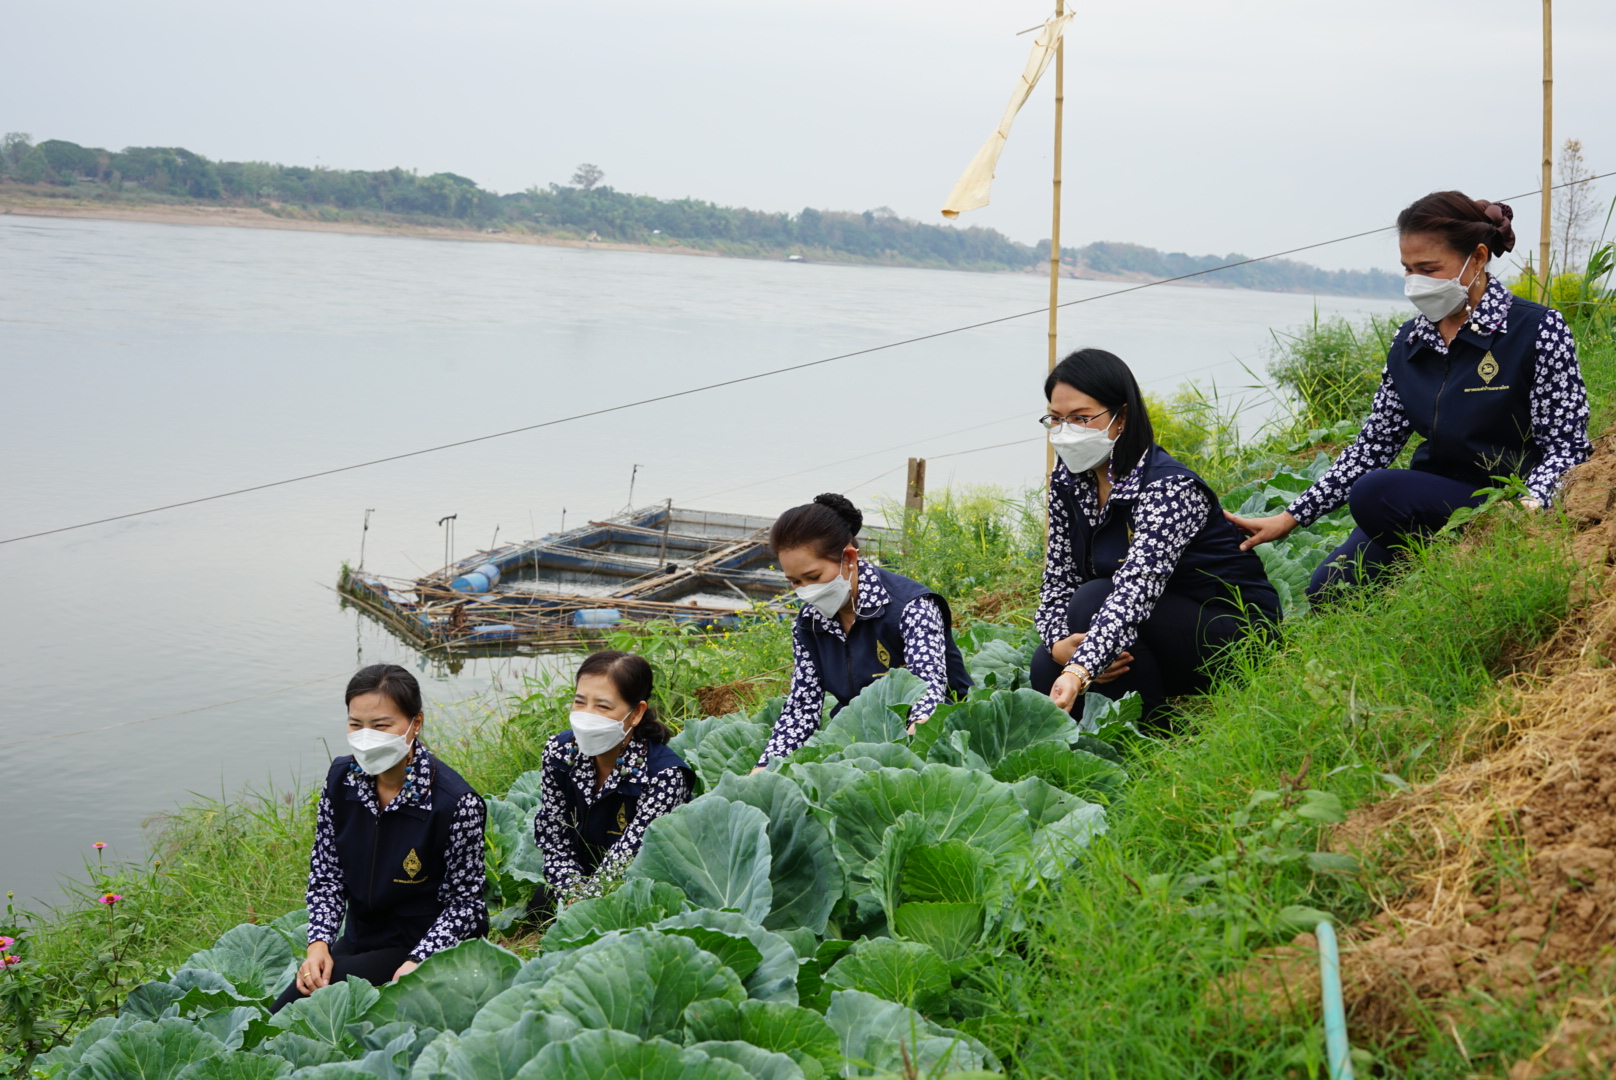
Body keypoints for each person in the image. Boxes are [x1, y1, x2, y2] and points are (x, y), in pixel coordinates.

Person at [1227, 192, 1592, 600]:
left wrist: (1528, 506)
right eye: (1407, 269)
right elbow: (1374, 446)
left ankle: (1479, 553)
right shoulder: (1411, 342)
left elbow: (1566, 446)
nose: (1415, 282)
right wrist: (1290, 517)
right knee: (1329, 591)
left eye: (1429, 269)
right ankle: (1445, 560)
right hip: (1429, 498)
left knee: (1374, 493)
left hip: (1506, 497)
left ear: (1478, 258)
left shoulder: (1535, 330)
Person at [1033, 348, 1281, 727]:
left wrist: (1081, 668)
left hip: (1234, 632)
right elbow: (1057, 580)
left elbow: (1136, 591)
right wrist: (1059, 647)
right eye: (1056, 419)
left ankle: (1151, 731)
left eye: (1082, 419)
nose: (1067, 433)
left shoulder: (1169, 488)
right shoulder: (1068, 483)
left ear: (1122, 417)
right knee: (1043, 664)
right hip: (1153, 629)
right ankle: (1106, 738)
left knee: (1094, 600)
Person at [273, 664, 487, 1013]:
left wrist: (419, 960)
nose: (366, 736)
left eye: (381, 725)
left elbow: (467, 904)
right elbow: (327, 874)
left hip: (423, 942)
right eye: (356, 724)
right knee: (296, 996)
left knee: (303, 1007)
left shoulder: (454, 803)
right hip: (361, 936)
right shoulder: (341, 781)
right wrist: (318, 944)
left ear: (415, 724)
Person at [755, 493, 973, 767]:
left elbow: (928, 697)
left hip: (938, 741)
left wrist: (895, 760)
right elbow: (803, 708)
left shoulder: (912, 607)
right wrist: (765, 767)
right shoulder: (810, 621)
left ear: (848, 558)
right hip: (859, 738)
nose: (806, 591)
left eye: (813, 577)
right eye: (794, 582)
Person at [534, 650, 693, 905]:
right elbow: (554, 831)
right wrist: (570, 889)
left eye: (602, 706)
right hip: (575, 881)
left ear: (636, 713)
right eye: (579, 702)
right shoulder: (559, 751)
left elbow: (631, 856)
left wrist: (587, 903)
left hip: (636, 887)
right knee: (541, 902)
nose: (586, 715)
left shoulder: (665, 776)